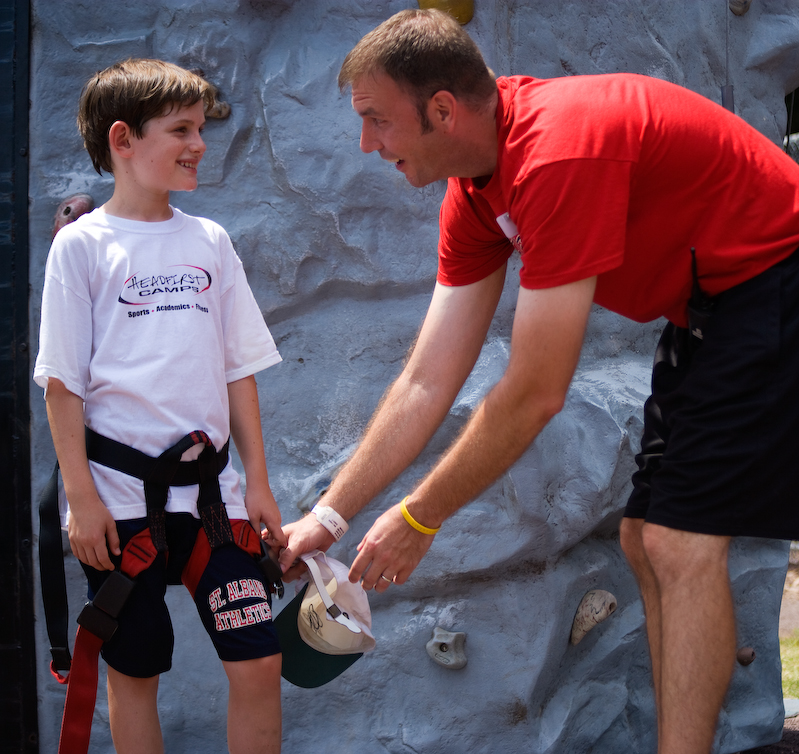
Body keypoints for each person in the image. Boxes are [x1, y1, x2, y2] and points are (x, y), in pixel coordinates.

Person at [277, 8, 799, 754]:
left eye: (376, 120)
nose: (367, 143)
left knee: (680, 542)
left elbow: (535, 392)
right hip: (713, 306)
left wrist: (420, 518)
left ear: (442, 110)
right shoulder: (475, 194)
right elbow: (426, 378)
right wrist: (330, 517)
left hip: (776, 277)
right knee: (643, 539)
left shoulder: (557, 154)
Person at [35, 59, 286, 754]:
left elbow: (237, 371)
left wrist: (258, 485)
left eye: (200, 128)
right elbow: (62, 385)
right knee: (134, 672)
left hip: (214, 503)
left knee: (259, 662)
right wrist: (80, 499)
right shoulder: (82, 248)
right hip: (119, 507)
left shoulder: (209, 241)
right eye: (181, 130)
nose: (199, 144)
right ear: (123, 139)